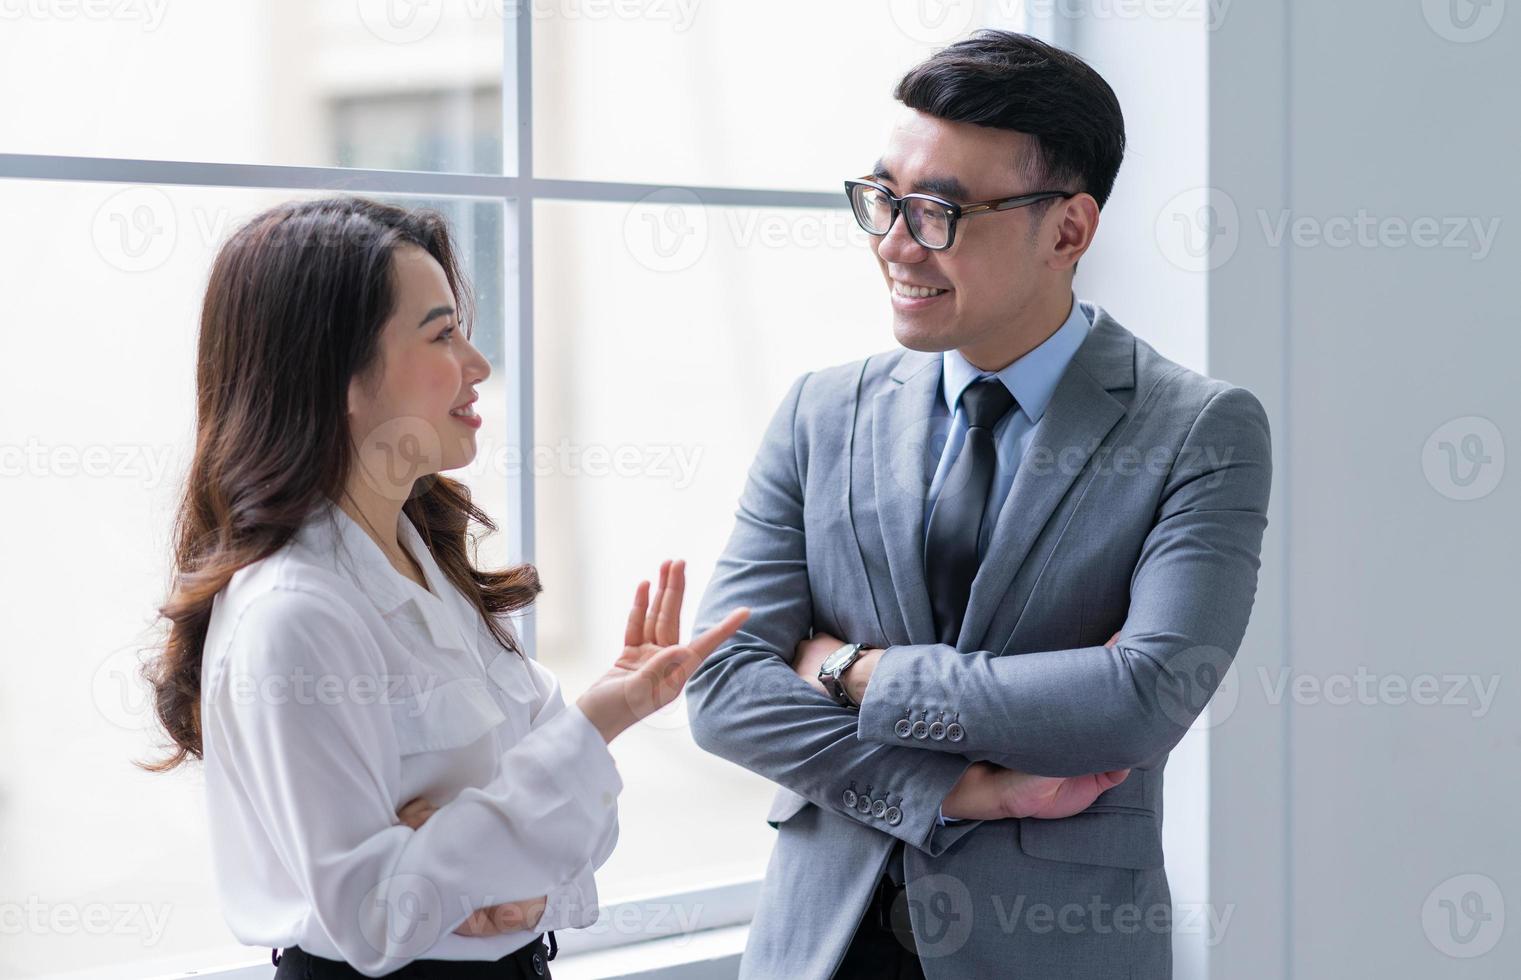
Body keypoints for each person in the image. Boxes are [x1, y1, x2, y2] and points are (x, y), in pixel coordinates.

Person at [686, 31, 1271, 978]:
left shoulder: (1198, 430)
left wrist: (852, 671)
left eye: (938, 213)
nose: (892, 243)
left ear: (1068, 231)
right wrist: (960, 791)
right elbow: (719, 688)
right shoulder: (820, 410)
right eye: (883, 199)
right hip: (821, 946)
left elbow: (1140, 698)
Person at [141, 197, 748, 978]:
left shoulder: (426, 566)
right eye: (441, 334)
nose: (477, 364)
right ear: (339, 378)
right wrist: (585, 734)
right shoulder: (293, 615)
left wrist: (484, 862)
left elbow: (579, 835)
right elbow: (378, 916)